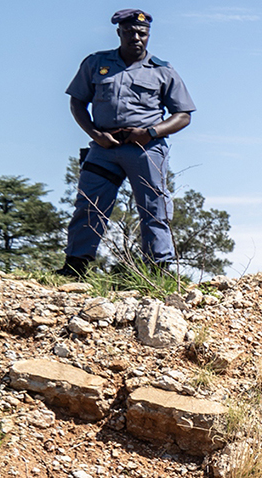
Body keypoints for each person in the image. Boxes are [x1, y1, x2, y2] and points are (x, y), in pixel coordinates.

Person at [57, 9, 196, 278]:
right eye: (130, 32)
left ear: (148, 35)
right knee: (89, 205)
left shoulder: (163, 70)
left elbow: (183, 116)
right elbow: (77, 101)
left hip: (146, 149)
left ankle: (158, 271)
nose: (136, 37)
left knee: (154, 208)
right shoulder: (96, 63)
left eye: (142, 33)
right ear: (119, 32)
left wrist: (152, 132)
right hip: (104, 148)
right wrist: (95, 134)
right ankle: (75, 268)